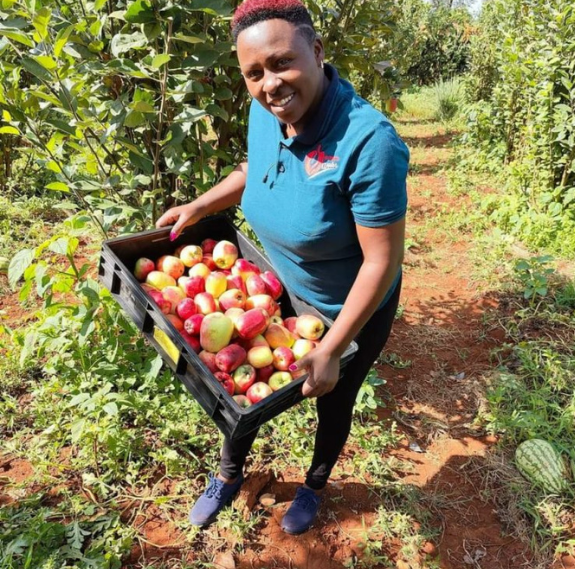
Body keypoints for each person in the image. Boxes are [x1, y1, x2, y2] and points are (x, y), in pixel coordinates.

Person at [155, 0, 409, 535]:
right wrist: (202, 205)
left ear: (316, 52)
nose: (269, 84)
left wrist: (333, 346)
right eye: (254, 73)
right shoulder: (267, 110)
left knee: (334, 400)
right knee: (236, 393)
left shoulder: (369, 142)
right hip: (269, 283)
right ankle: (228, 475)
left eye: (281, 63)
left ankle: (315, 485)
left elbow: (382, 262)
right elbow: (255, 166)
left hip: (346, 306)